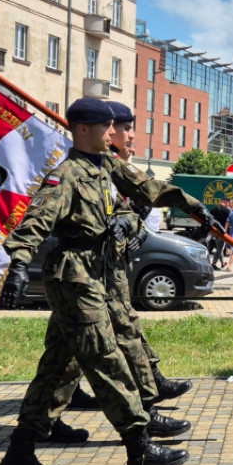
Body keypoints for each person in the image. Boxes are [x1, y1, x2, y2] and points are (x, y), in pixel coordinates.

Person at [0, 97, 222, 465]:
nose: (113, 133)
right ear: (83, 130)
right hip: (75, 277)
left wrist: (195, 207)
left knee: (57, 368)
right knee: (106, 358)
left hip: (98, 274)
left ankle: (20, 451)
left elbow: (147, 189)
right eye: (105, 127)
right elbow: (37, 219)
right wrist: (17, 264)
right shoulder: (66, 174)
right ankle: (139, 445)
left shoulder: (105, 167)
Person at [65, 100, 193, 417]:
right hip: (86, 269)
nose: (128, 134)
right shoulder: (91, 167)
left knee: (80, 340)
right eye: (123, 128)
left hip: (109, 264)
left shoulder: (117, 164)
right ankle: (144, 411)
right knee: (114, 335)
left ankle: (54, 406)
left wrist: (134, 220)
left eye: (123, 127)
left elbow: (131, 208)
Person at [209, 198, 231, 268]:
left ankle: (222, 262)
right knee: (220, 248)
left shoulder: (213, 209)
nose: (228, 205)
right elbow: (229, 222)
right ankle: (214, 263)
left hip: (215, 231)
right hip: (222, 232)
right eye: (228, 203)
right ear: (225, 202)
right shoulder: (227, 211)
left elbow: (210, 219)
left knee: (219, 247)